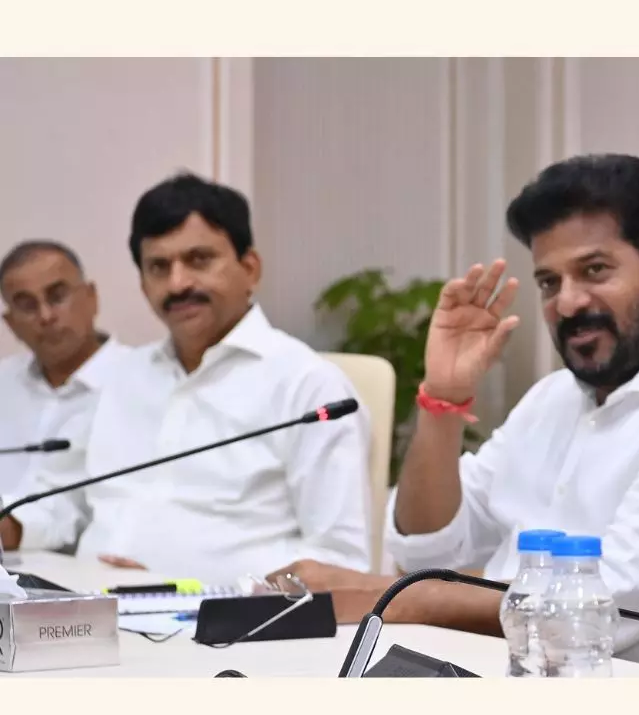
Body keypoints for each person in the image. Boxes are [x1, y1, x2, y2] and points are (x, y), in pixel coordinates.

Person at [277, 153, 639, 675]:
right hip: (468, 670)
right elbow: (428, 552)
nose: (567, 303)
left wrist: (388, 597)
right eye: (549, 282)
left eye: (594, 270)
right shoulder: (551, 399)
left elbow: (596, 613)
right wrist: (441, 401)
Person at [6, 173, 373, 582]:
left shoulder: (307, 385)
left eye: (199, 260)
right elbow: (60, 501)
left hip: (220, 617)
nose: (178, 283)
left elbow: (339, 562)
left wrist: (181, 583)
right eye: (159, 267)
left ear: (250, 268)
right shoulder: (123, 376)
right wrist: (12, 524)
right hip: (90, 604)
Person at [0, 241, 130, 535]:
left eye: (57, 297)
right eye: (27, 305)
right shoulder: (3, 382)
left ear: (91, 297)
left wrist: (10, 529)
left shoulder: (136, 380)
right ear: (10, 323)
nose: (45, 316)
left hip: (84, 558)